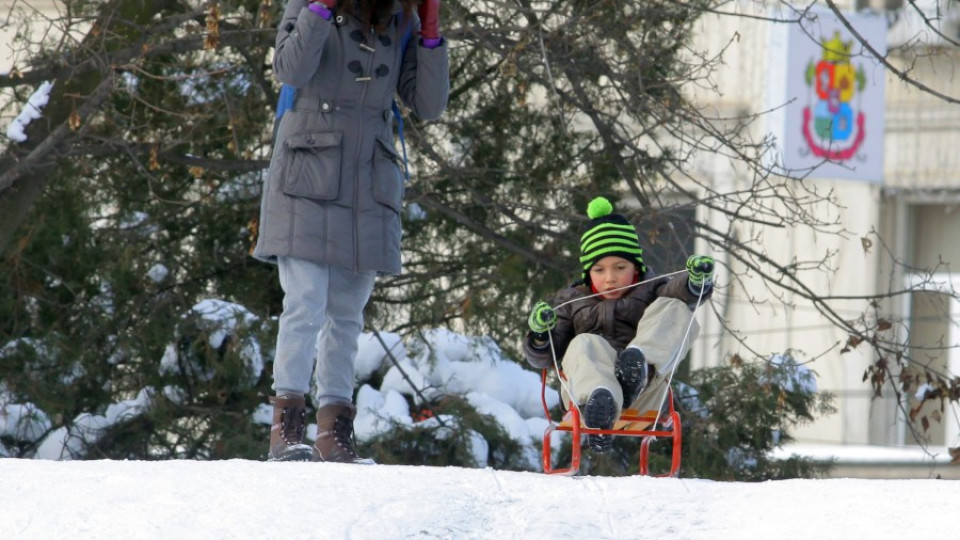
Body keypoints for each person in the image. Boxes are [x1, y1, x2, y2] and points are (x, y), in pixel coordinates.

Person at [253, 0, 449, 462]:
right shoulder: (307, 4)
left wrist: (430, 31)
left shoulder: (400, 15)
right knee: (304, 303)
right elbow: (291, 69)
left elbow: (429, 103)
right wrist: (320, 8)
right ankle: (287, 427)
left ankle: (334, 431)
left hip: (367, 176)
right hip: (309, 165)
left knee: (347, 312)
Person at [523, 197, 715, 452]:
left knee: (676, 308)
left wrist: (695, 282)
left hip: (645, 394)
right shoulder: (570, 300)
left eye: (620, 267)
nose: (610, 278)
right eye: (599, 270)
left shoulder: (652, 288)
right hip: (584, 397)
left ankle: (638, 366)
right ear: (587, 273)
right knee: (584, 342)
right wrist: (539, 335)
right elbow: (545, 357)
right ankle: (601, 404)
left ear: (636, 267)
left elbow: (678, 291)